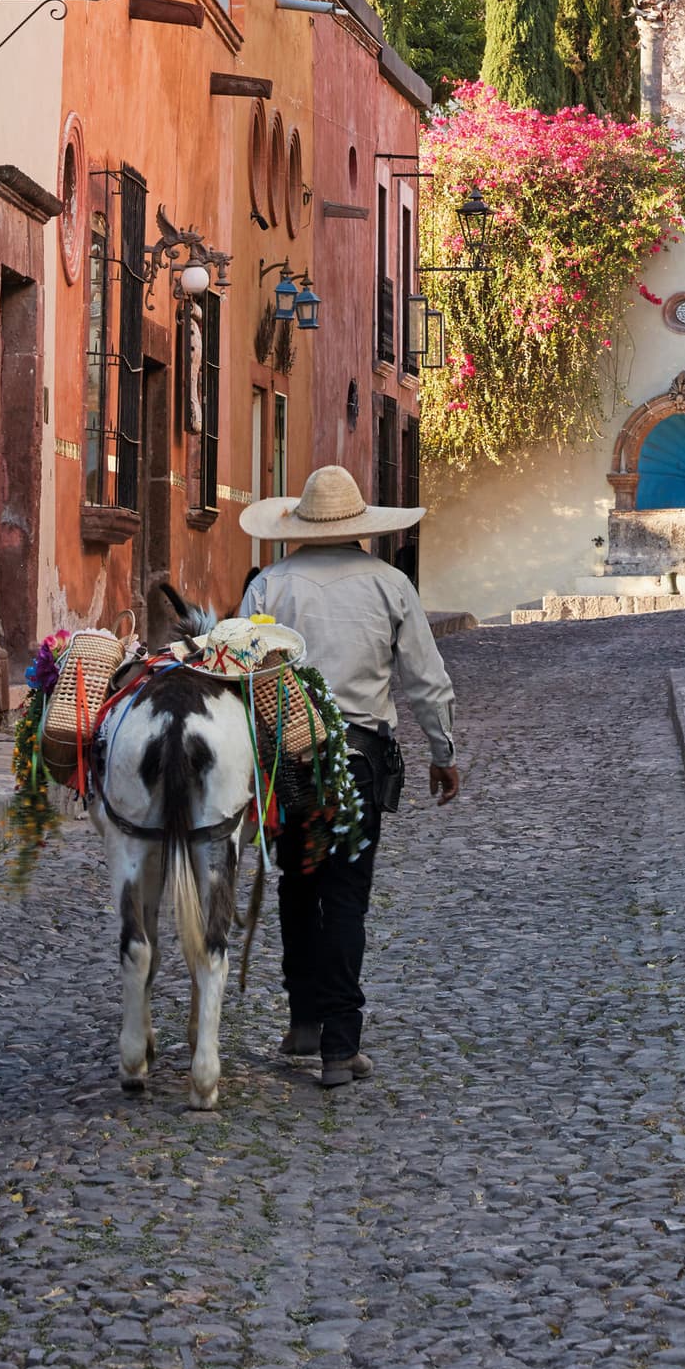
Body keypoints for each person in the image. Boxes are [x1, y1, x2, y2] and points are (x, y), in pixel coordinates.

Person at [238, 463, 459, 1089]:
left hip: (285, 762)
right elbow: (424, 676)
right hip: (357, 763)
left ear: (303, 523)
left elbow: (242, 671)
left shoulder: (269, 587)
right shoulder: (390, 584)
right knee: (344, 899)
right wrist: (443, 752)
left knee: (296, 888)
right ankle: (339, 1045)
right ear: (360, 525)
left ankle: (304, 1020)